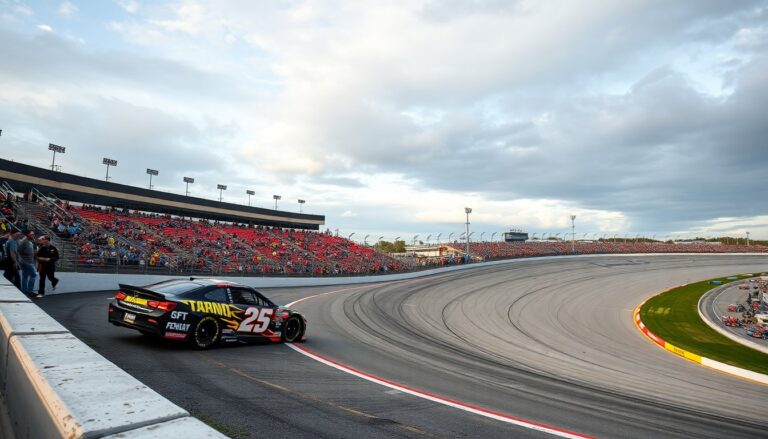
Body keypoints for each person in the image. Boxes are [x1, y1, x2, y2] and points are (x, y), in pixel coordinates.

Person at [18, 229, 37, 296]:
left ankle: (24, 291)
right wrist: (24, 256)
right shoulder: (24, 241)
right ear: (27, 234)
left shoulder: (28, 241)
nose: (33, 235)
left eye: (33, 234)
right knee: (33, 275)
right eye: (32, 234)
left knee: (25, 276)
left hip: (25, 261)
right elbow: (19, 250)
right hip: (27, 261)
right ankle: (30, 291)